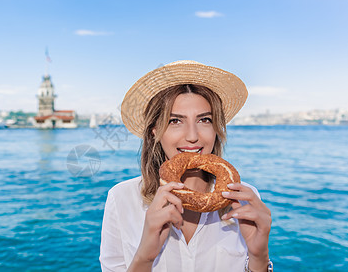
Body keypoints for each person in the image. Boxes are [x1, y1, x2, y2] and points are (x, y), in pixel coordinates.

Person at [99, 60, 272, 271]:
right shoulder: (122, 198)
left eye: (204, 120)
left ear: (217, 128)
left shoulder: (245, 200)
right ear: (155, 131)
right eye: (175, 121)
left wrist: (259, 257)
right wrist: (144, 256)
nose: (192, 136)